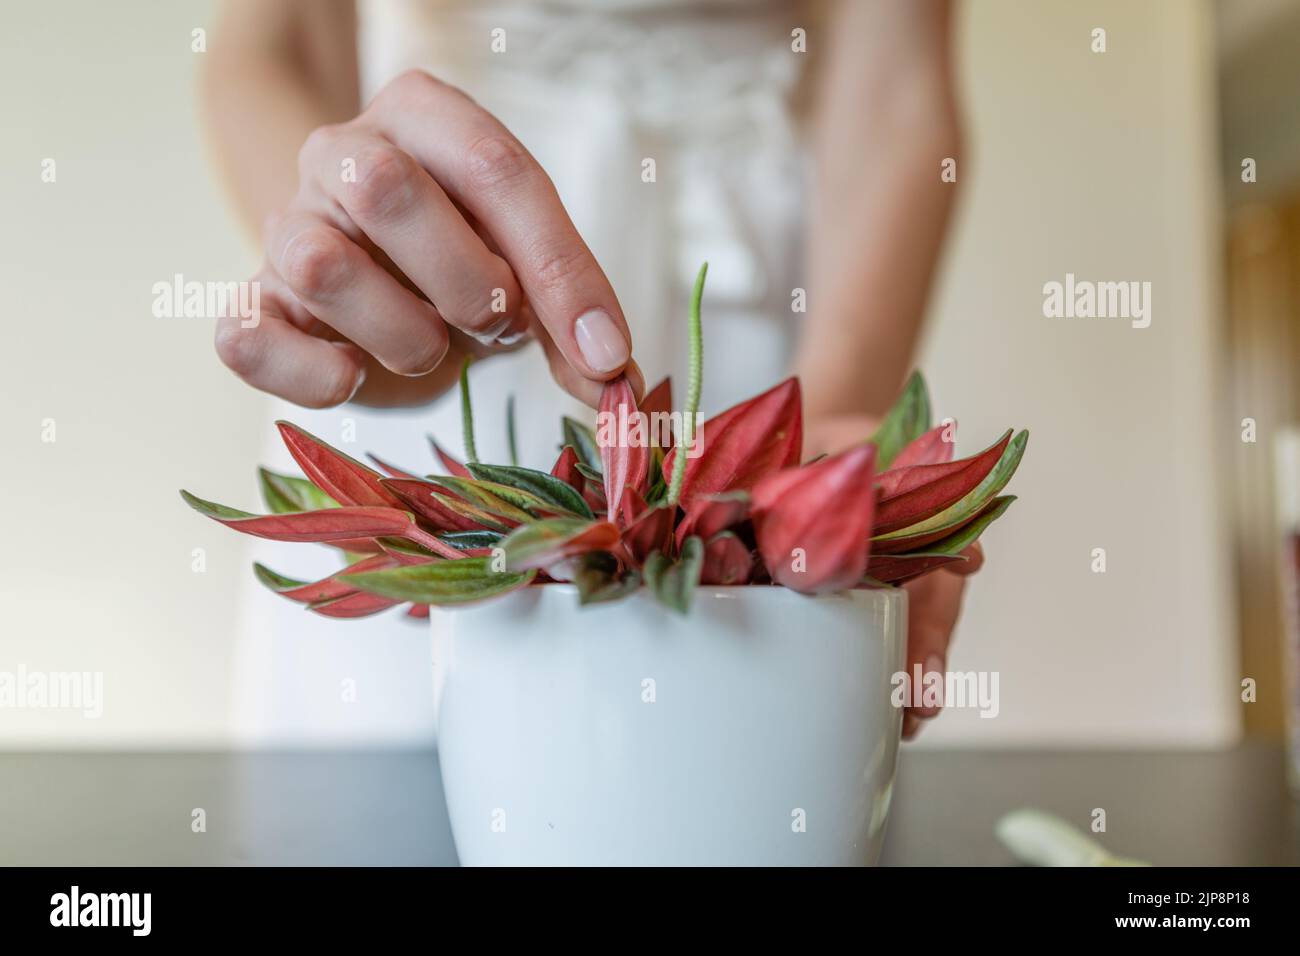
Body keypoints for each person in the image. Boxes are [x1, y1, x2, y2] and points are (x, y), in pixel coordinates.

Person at [202, 0, 973, 742]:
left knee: (749, 750)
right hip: (431, 228)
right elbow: (271, 45)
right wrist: (346, 274)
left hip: (772, 319)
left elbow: (895, 78)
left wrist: (833, 423)